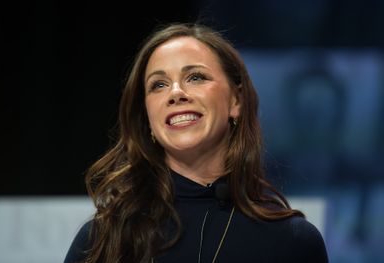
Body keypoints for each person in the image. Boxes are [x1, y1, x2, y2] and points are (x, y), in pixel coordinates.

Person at [64, 22, 328, 263]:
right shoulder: (101, 239)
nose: (176, 93)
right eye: (158, 85)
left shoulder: (293, 242)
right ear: (148, 119)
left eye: (196, 77)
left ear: (235, 101)